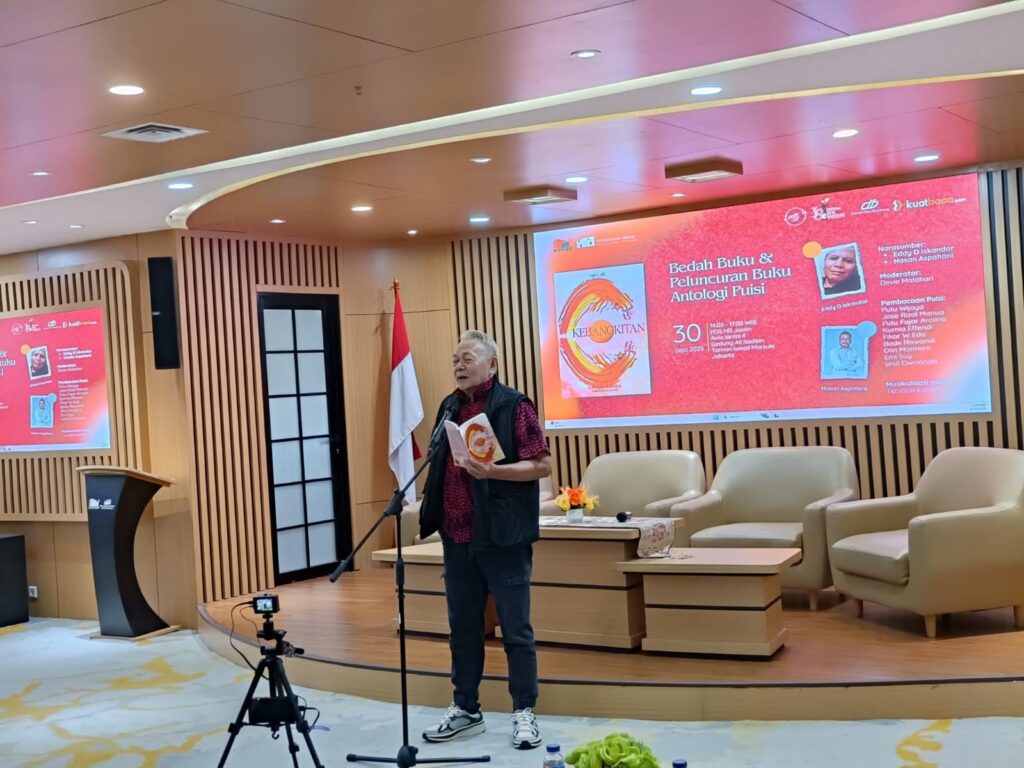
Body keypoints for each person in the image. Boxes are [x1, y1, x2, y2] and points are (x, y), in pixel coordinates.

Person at [419, 329, 551, 750]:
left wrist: (493, 471)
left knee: (515, 629)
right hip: (457, 537)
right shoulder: (449, 405)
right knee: (463, 628)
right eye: (455, 360)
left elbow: (542, 465)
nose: (459, 366)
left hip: (503, 535)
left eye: (468, 359)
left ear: (492, 364)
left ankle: (524, 711)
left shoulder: (515, 406)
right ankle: (466, 708)